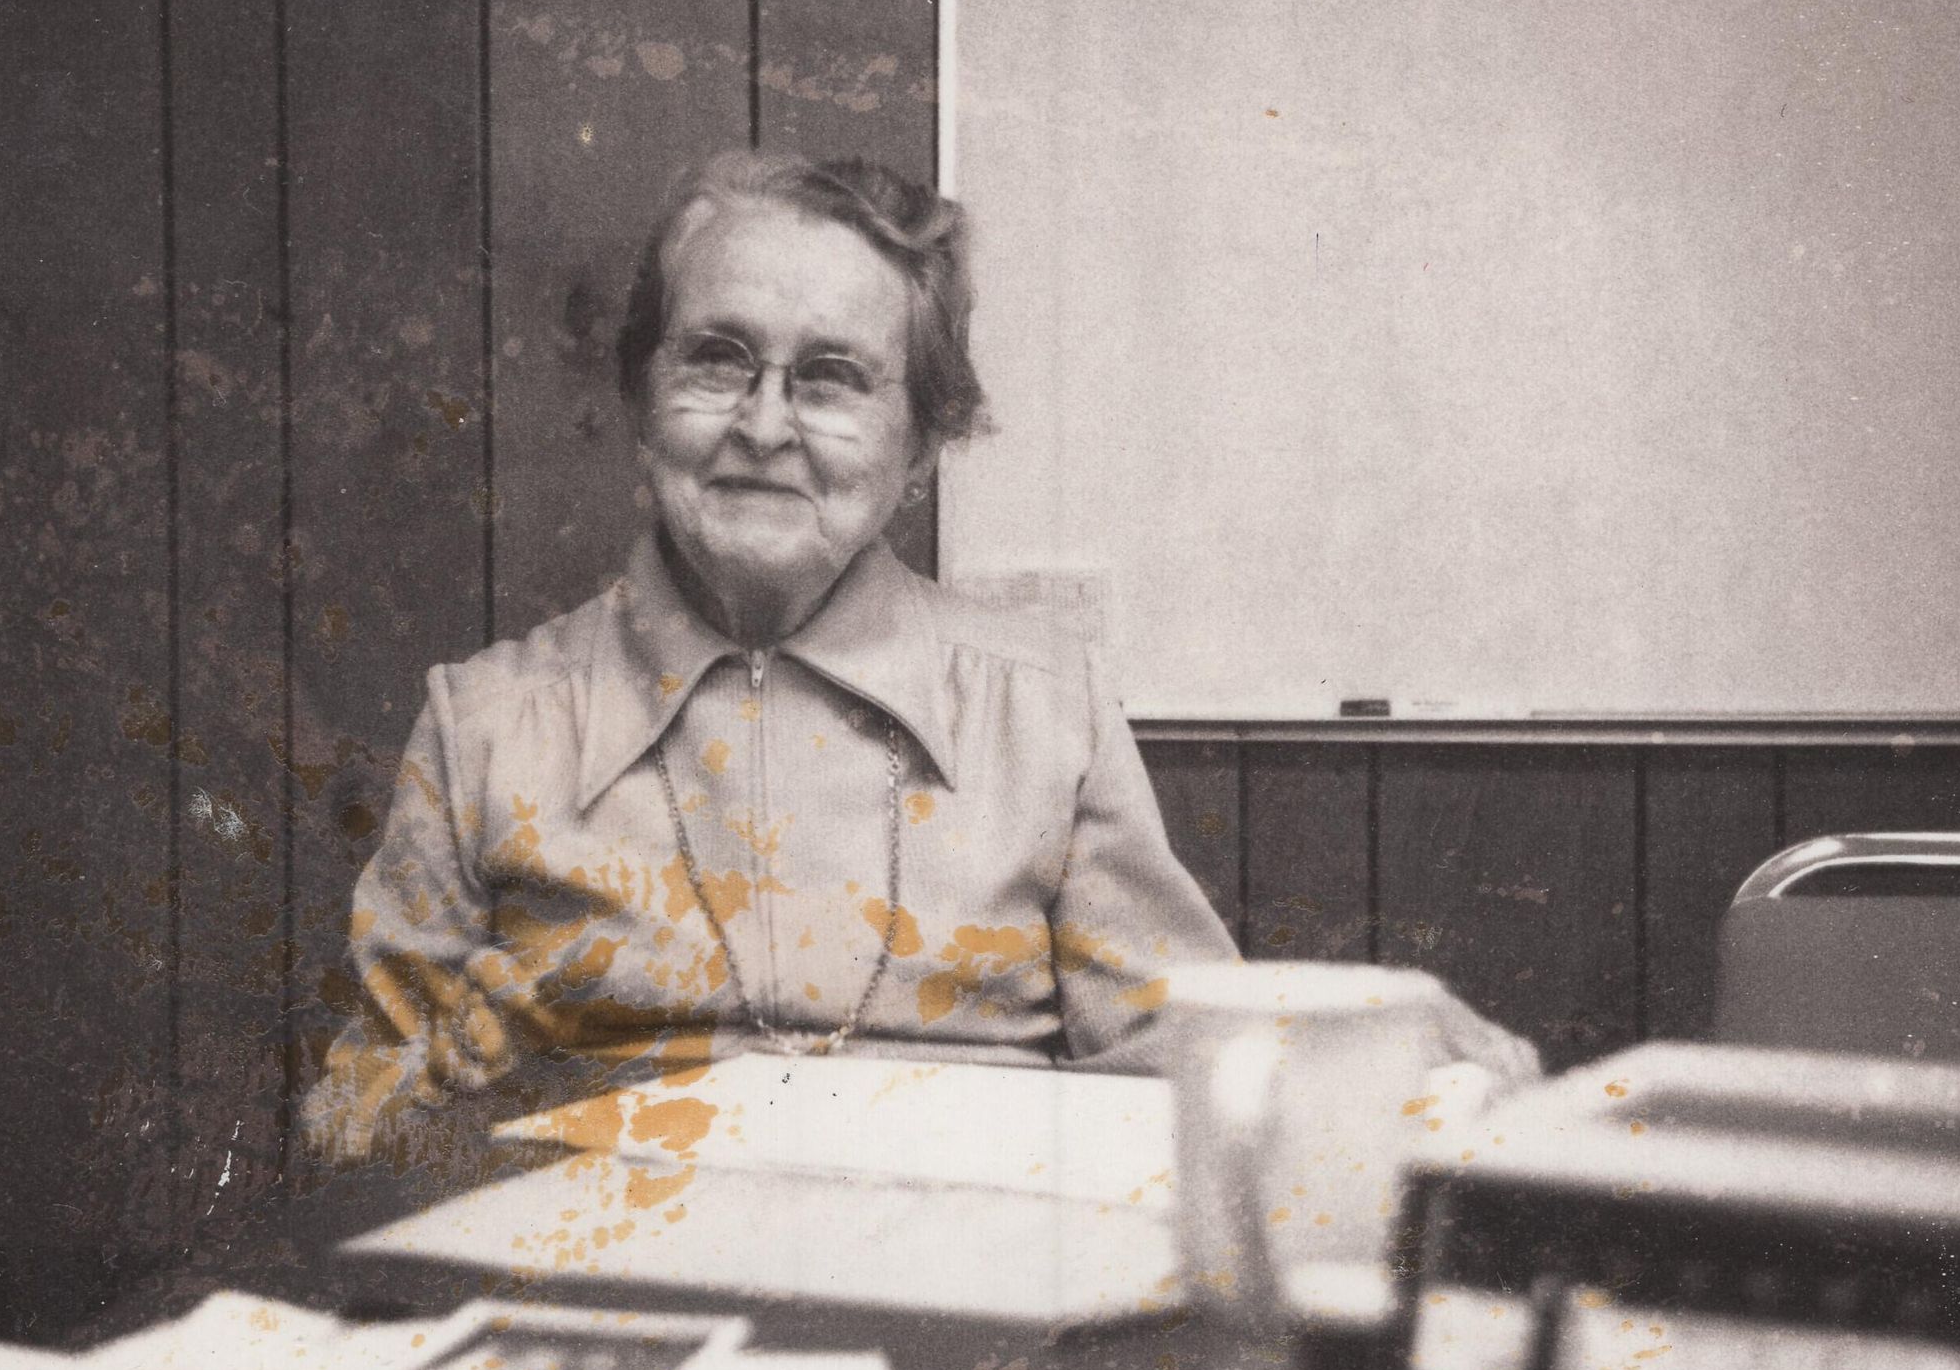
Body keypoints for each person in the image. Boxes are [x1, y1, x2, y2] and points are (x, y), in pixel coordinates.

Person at [303, 150, 1532, 1160]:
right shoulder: (483, 725)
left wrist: (1367, 1046)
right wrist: (434, 1091)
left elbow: (1180, 1057)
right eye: (717, 359)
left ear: (923, 447)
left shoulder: (1042, 708)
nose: (765, 425)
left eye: (832, 379)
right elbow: (350, 1133)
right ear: (642, 398)